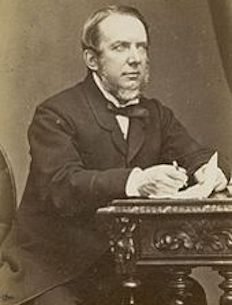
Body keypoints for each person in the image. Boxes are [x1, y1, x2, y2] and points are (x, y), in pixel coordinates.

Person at [0, 5, 230, 305]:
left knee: (189, 297)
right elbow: (63, 185)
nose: (135, 58)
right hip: (55, 270)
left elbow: (198, 153)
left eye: (141, 47)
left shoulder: (156, 115)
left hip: (124, 268)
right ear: (92, 59)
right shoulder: (55, 113)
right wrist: (137, 182)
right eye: (120, 47)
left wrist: (207, 171)